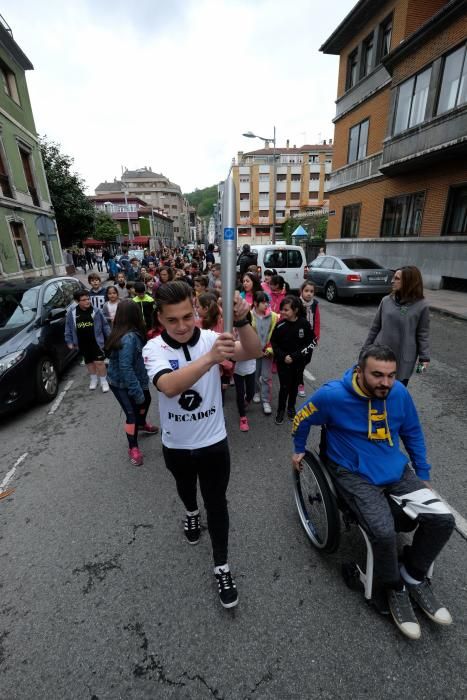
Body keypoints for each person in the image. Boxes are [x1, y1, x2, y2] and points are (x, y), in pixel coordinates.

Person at [292, 345, 455, 640]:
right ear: (360, 371)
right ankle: (392, 586)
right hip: (352, 472)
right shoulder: (332, 396)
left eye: (391, 375)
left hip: (394, 469)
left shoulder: (399, 394)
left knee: (443, 519)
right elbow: (302, 418)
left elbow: (413, 432)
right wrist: (298, 449)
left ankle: (413, 576)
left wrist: (424, 473)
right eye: (378, 375)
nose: (386, 382)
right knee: (382, 530)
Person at [143, 281, 261, 608]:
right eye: (172, 320)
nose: (182, 326)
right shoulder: (153, 349)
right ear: (160, 319)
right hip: (177, 445)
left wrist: (241, 321)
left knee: (217, 502)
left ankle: (222, 565)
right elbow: (168, 386)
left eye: (187, 316)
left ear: (196, 308)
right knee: (185, 488)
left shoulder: (211, 338)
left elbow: (253, 351)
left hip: (213, 443)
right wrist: (211, 359)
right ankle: (190, 512)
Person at [106, 300, 158, 466]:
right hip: (122, 383)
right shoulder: (128, 338)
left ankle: (142, 424)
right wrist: (137, 392)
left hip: (137, 379)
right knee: (131, 415)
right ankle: (133, 447)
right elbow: (125, 368)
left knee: (146, 400)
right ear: (134, 315)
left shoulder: (131, 332)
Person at [363, 266, 430, 386]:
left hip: (403, 359)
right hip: (380, 355)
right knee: (375, 388)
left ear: (409, 282)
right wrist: (365, 351)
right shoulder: (386, 301)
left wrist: (424, 359)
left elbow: (423, 334)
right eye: (393, 277)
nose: (392, 281)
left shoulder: (422, 305)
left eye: (397, 278)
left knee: (397, 393)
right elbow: (375, 328)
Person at [271, 295, 315, 425]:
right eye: (282, 309)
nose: (282, 312)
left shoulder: (304, 324)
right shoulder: (280, 326)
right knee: (284, 387)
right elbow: (274, 343)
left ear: (295, 310)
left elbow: (311, 343)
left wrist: (295, 356)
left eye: (286, 310)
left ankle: (291, 408)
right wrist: (283, 356)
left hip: (298, 363)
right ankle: (280, 410)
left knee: (294, 387)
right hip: (283, 363)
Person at [65, 290, 110, 392]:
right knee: (89, 362)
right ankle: (93, 379)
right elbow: (68, 328)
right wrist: (69, 341)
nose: (87, 301)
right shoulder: (72, 313)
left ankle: (104, 381)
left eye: (88, 299)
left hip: (96, 342)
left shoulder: (96, 311)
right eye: (84, 300)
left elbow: (105, 326)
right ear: (77, 301)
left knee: (99, 362)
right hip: (82, 343)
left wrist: (110, 338)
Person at [251, 291, 279, 415]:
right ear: (255, 304)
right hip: (254, 351)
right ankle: (256, 391)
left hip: (268, 352)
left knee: (267, 377)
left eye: (267, 302)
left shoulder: (273, 316)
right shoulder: (249, 315)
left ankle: (266, 400)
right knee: (255, 374)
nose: (266, 304)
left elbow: (275, 334)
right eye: (263, 302)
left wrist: (270, 348)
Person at [298, 281, 320, 398]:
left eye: (311, 291)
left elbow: (317, 321)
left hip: (310, 338)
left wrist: (316, 337)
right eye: (306, 291)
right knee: (300, 361)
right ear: (301, 291)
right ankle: (300, 383)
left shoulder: (314, 304)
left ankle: (298, 372)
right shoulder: (296, 303)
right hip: (298, 338)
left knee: (307, 359)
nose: (309, 294)